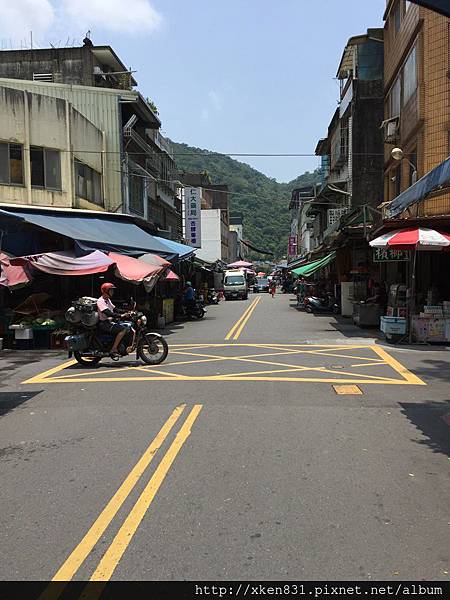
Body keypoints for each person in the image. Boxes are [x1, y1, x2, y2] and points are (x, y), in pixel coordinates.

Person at [97, 283, 131, 359]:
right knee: (123, 329)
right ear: (106, 291)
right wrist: (121, 316)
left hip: (109, 321)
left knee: (125, 325)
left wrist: (126, 311)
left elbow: (115, 309)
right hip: (104, 323)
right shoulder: (100, 301)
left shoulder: (107, 300)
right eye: (111, 290)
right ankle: (114, 349)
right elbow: (108, 313)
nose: (112, 292)